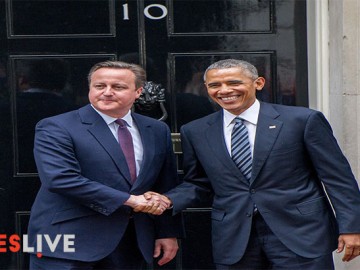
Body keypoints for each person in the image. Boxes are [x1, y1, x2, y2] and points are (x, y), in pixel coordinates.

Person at [142, 59, 360, 269]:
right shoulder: (195, 131)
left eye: (234, 83)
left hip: (300, 233)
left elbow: (337, 178)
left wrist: (352, 227)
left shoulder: (302, 120)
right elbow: (198, 183)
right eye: (215, 85)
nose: (224, 90)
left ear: (258, 83)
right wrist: (168, 200)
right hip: (235, 237)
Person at [28, 60, 183, 269]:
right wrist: (131, 200)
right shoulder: (56, 126)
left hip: (132, 243)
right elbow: (60, 179)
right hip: (68, 243)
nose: (107, 92)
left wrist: (167, 232)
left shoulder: (156, 129)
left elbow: (165, 183)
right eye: (100, 86)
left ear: (138, 92)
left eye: (118, 87)